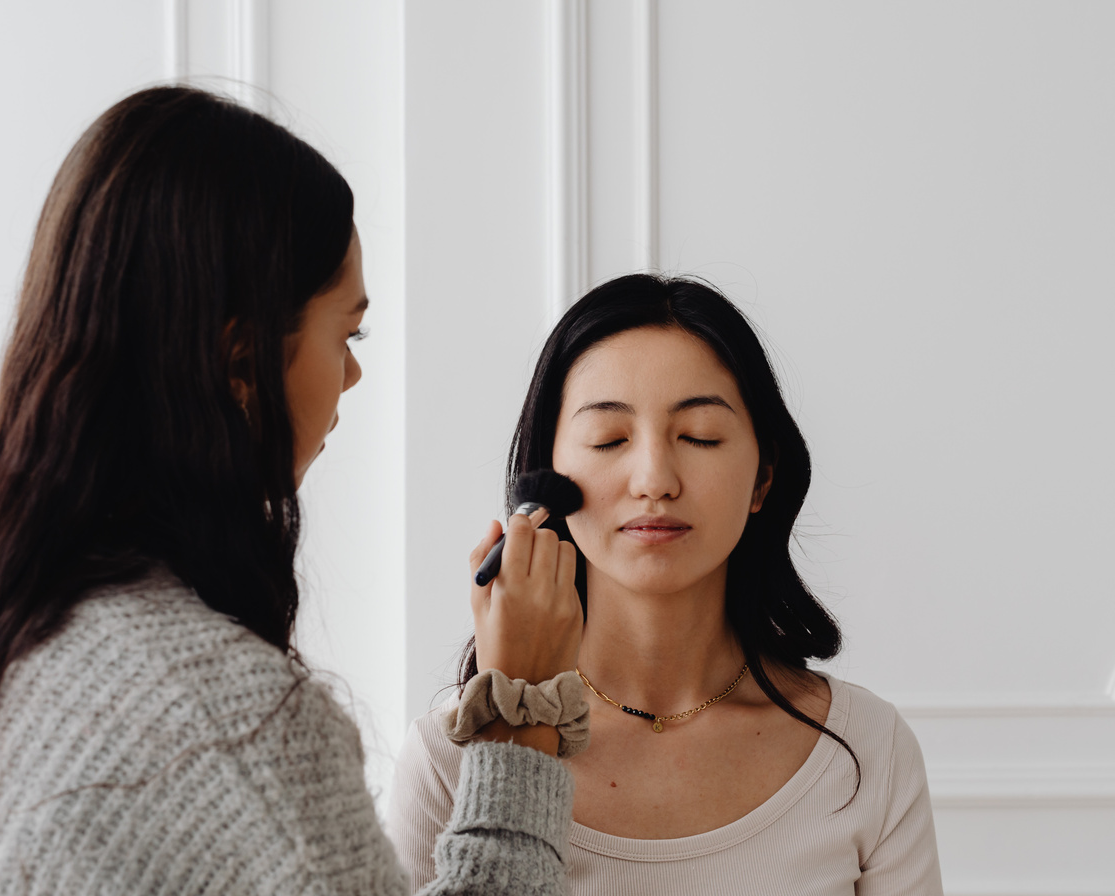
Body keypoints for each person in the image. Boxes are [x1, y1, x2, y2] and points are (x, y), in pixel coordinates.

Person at [0, 86, 585, 896]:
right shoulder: (230, 733)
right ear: (241, 363)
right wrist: (521, 726)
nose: (354, 372)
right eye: (348, 333)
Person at [389, 274, 945, 895]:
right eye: (609, 439)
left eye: (699, 436)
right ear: (547, 480)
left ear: (763, 479)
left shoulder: (866, 753)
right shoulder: (447, 762)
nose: (654, 478)